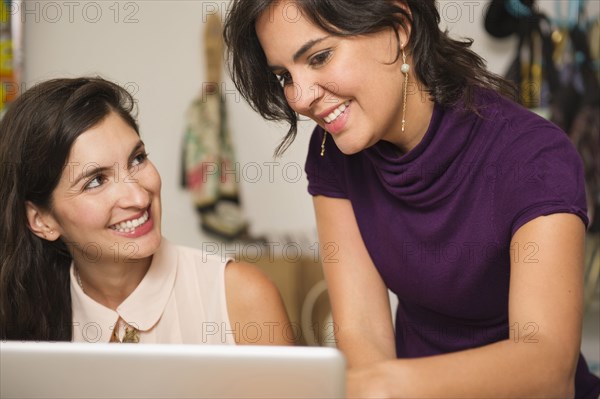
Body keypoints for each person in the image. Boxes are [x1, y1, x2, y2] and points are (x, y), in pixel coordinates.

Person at [223, 0, 600, 397]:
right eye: (284, 75)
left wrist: (385, 385)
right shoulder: (331, 152)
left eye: (319, 57)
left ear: (399, 27)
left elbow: (547, 370)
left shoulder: (533, 155)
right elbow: (363, 334)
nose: (299, 98)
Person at [0, 77, 291, 345]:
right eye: (96, 181)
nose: (139, 197)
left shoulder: (239, 297)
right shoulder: (19, 321)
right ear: (42, 220)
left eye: (137, 159)